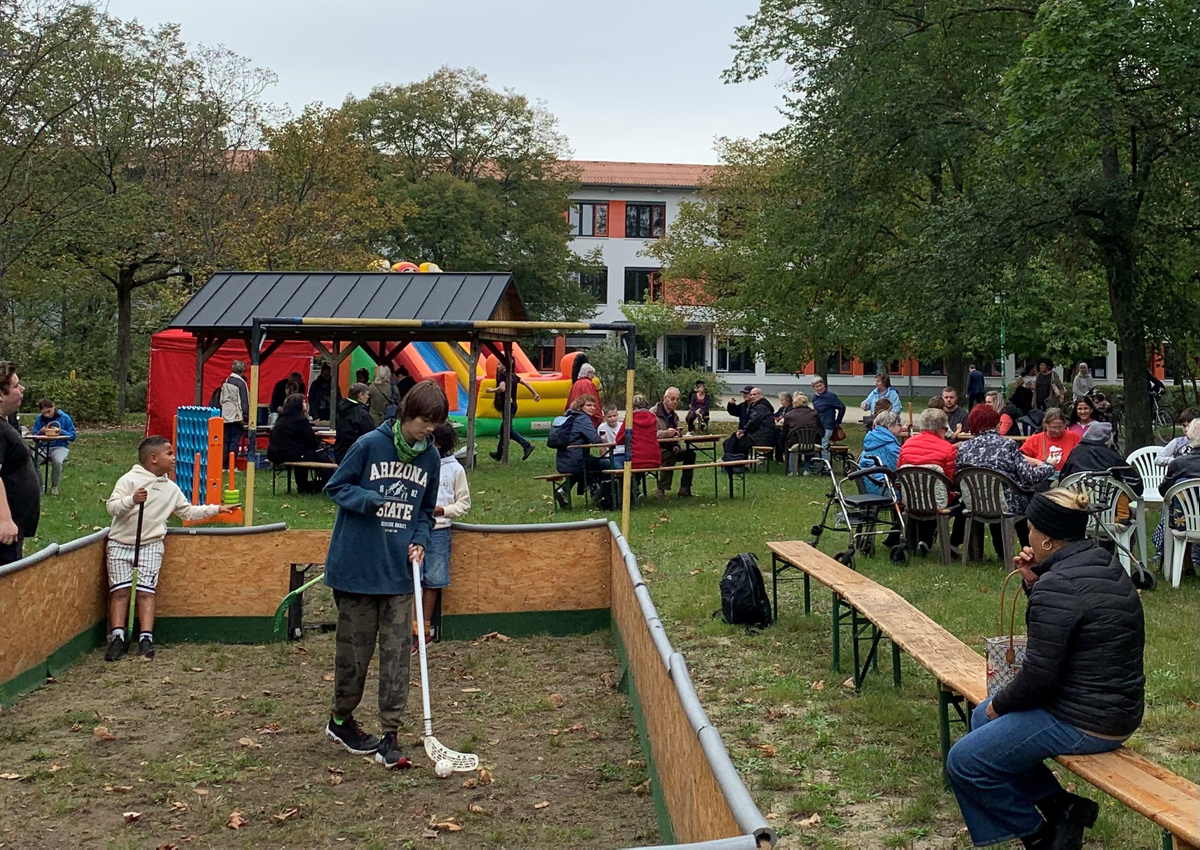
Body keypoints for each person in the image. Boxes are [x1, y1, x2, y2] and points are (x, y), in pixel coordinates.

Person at [946, 489, 1144, 850]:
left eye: (1032, 530)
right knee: (979, 719)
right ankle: (1062, 806)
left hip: (1086, 720)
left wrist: (999, 704)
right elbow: (1062, 633)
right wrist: (1033, 582)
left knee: (964, 762)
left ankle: (1038, 837)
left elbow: (1038, 676)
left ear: (1049, 540)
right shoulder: (1099, 561)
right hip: (1114, 707)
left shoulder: (1060, 584)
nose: (1028, 537)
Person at [322, 380, 447, 769]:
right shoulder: (369, 446)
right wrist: (369, 500)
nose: (430, 430)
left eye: (435, 424)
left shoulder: (430, 460)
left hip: (398, 572)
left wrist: (421, 541)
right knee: (354, 657)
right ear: (407, 415)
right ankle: (341, 721)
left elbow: (426, 511)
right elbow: (336, 486)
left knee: (397, 658)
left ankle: (390, 736)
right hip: (357, 570)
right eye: (425, 421)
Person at [104, 436, 232, 661]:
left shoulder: (170, 489)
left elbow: (187, 511)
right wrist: (132, 500)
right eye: (169, 454)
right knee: (120, 590)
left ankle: (146, 636)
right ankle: (117, 636)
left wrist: (217, 508)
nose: (174, 458)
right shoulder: (129, 480)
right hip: (121, 543)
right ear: (153, 458)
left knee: (145, 592)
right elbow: (112, 507)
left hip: (151, 545)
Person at [956, 405, 1055, 551]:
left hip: (975, 503)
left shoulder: (964, 447)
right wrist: (1049, 466)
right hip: (1007, 503)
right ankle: (1028, 549)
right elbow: (1029, 477)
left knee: (1008, 495)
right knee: (1027, 496)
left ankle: (983, 553)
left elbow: (958, 475)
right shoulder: (1007, 445)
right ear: (996, 423)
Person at [419, 423, 470, 642]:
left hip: (439, 531)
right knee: (414, 579)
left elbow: (464, 504)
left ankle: (424, 629)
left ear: (438, 443)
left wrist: (443, 511)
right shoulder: (419, 463)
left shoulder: (455, 469)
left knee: (434, 580)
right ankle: (412, 629)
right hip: (416, 529)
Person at [899, 408, 963, 555]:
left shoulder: (907, 445)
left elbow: (900, 471)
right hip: (938, 501)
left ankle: (922, 541)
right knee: (963, 501)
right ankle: (953, 545)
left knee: (926, 494)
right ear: (941, 429)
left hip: (911, 499)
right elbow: (951, 479)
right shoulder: (947, 448)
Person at [0, 363, 38, 566]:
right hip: (4, 531)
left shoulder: (6, 424)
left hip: (14, 527)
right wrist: (5, 520)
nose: (22, 389)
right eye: (16, 386)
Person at [1152, 419, 1200, 572]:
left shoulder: (1179, 463)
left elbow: (1164, 491)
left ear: (1191, 436)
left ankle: (1175, 561)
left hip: (1184, 522)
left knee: (1177, 511)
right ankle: (1189, 563)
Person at [268, 394, 335, 494]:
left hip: (277, 454)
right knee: (324, 457)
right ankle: (331, 486)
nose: (305, 404)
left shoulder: (281, 419)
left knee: (304, 454)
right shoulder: (300, 421)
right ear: (298, 405)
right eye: (303, 402)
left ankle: (304, 485)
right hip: (292, 453)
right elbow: (312, 442)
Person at [552, 395, 608, 509]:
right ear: (580, 406)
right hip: (576, 460)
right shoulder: (583, 419)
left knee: (586, 467)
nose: (592, 408)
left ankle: (564, 490)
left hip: (563, 461)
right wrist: (603, 438)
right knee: (606, 464)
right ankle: (598, 493)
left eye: (594, 405)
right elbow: (595, 439)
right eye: (588, 405)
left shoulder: (570, 416)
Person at [486, 361, 540, 461]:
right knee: (503, 430)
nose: (497, 366)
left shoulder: (502, 376)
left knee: (507, 430)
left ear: (504, 365)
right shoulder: (513, 375)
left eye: (499, 363)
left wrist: (491, 390)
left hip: (508, 406)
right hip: (514, 405)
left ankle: (526, 445)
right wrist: (535, 394)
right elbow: (526, 383)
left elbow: (502, 389)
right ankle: (499, 453)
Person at [654, 387, 696, 498]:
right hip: (656, 449)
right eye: (672, 399)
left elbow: (676, 432)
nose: (675, 402)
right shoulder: (653, 413)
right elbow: (650, 434)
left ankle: (685, 489)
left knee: (690, 454)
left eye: (677, 399)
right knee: (670, 455)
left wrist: (677, 442)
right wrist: (665, 434)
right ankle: (661, 489)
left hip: (671, 446)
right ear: (665, 398)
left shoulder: (674, 415)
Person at [32, 397, 76, 496]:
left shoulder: (64, 417)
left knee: (57, 460)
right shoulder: (39, 419)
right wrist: (40, 432)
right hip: (43, 446)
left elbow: (73, 436)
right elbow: (34, 436)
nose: (47, 415)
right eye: (44, 413)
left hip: (60, 446)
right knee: (33, 460)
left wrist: (60, 431)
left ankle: (54, 486)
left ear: (54, 407)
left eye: (49, 411)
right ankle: (40, 487)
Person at [723, 386, 775, 459]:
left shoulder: (761, 407)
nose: (752, 396)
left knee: (736, 442)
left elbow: (753, 422)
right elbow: (734, 412)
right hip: (752, 434)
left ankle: (730, 460)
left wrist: (743, 431)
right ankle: (730, 459)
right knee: (729, 441)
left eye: (753, 394)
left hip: (759, 437)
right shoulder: (745, 405)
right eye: (751, 394)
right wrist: (731, 405)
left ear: (761, 395)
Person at [860, 410, 903, 495]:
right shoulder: (890, 446)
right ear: (890, 426)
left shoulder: (872, 439)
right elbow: (901, 470)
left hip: (870, 488)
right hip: (885, 490)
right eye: (899, 424)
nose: (901, 427)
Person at [782, 393, 823, 475]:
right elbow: (821, 430)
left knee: (792, 449)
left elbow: (784, 432)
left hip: (795, 443)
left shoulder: (789, 415)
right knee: (809, 444)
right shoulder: (814, 414)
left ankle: (792, 471)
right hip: (812, 443)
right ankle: (807, 470)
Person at [332, 382, 375, 462]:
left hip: (339, 454)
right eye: (367, 394)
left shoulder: (340, 411)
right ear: (360, 396)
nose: (368, 397)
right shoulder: (362, 415)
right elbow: (371, 435)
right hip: (357, 455)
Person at [218, 360, 250, 456]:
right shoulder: (241, 383)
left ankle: (224, 464)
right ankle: (231, 464)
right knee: (235, 440)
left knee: (226, 439)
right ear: (243, 370)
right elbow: (244, 401)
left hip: (225, 414)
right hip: (236, 415)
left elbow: (221, 400)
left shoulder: (225, 381)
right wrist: (246, 416)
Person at [811, 377, 845, 462]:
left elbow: (841, 407)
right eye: (817, 386)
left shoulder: (830, 396)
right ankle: (818, 463)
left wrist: (838, 421)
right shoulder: (814, 398)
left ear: (824, 385)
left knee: (823, 445)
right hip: (818, 425)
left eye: (820, 385)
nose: (819, 388)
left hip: (828, 425)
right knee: (816, 445)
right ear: (814, 388)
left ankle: (826, 467)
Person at [629, 395, 661, 472]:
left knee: (621, 466)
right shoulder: (653, 418)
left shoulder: (630, 418)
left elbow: (619, 439)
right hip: (655, 459)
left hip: (636, 459)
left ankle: (629, 483)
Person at [598, 403, 625, 468]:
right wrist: (603, 458)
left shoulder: (622, 426)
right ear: (604, 417)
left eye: (614, 416)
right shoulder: (602, 427)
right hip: (611, 454)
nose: (612, 418)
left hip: (624, 452)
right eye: (609, 417)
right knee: (615, 466)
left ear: (617, 415)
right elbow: (601, 446)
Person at [773, 392, 793, 464]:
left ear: (787, 400)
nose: (781, 402)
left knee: (779, 437)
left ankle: (784, 455)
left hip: (788, 430)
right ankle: (777, 458)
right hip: (780, 428)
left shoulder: (791, 409)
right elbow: (775, 415)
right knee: (774, 434)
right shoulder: (782, 409)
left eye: (782, 400)